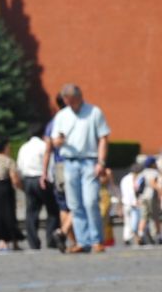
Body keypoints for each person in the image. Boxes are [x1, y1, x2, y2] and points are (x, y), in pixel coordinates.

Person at [49, 84, 111, 255]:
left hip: (89, 161)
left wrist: (101, 162)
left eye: (69, 99)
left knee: (91, 201)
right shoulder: (62, 115)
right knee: (75, 204)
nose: (67, 102)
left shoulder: (94, 112)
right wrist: (58, 142)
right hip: (69, 162)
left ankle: (97, 240)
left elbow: (103, 138)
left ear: (77, 97)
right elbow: (54, 140)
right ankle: (82, 242)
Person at [15, 129, 58, 251]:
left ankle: (33, 242)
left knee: (31, 212)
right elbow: (50, 164)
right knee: (53, 210)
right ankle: (51, 239)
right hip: (42, 178)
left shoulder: (24, 147)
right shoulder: (44, 145)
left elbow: (20, 166)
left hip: (28, 180)